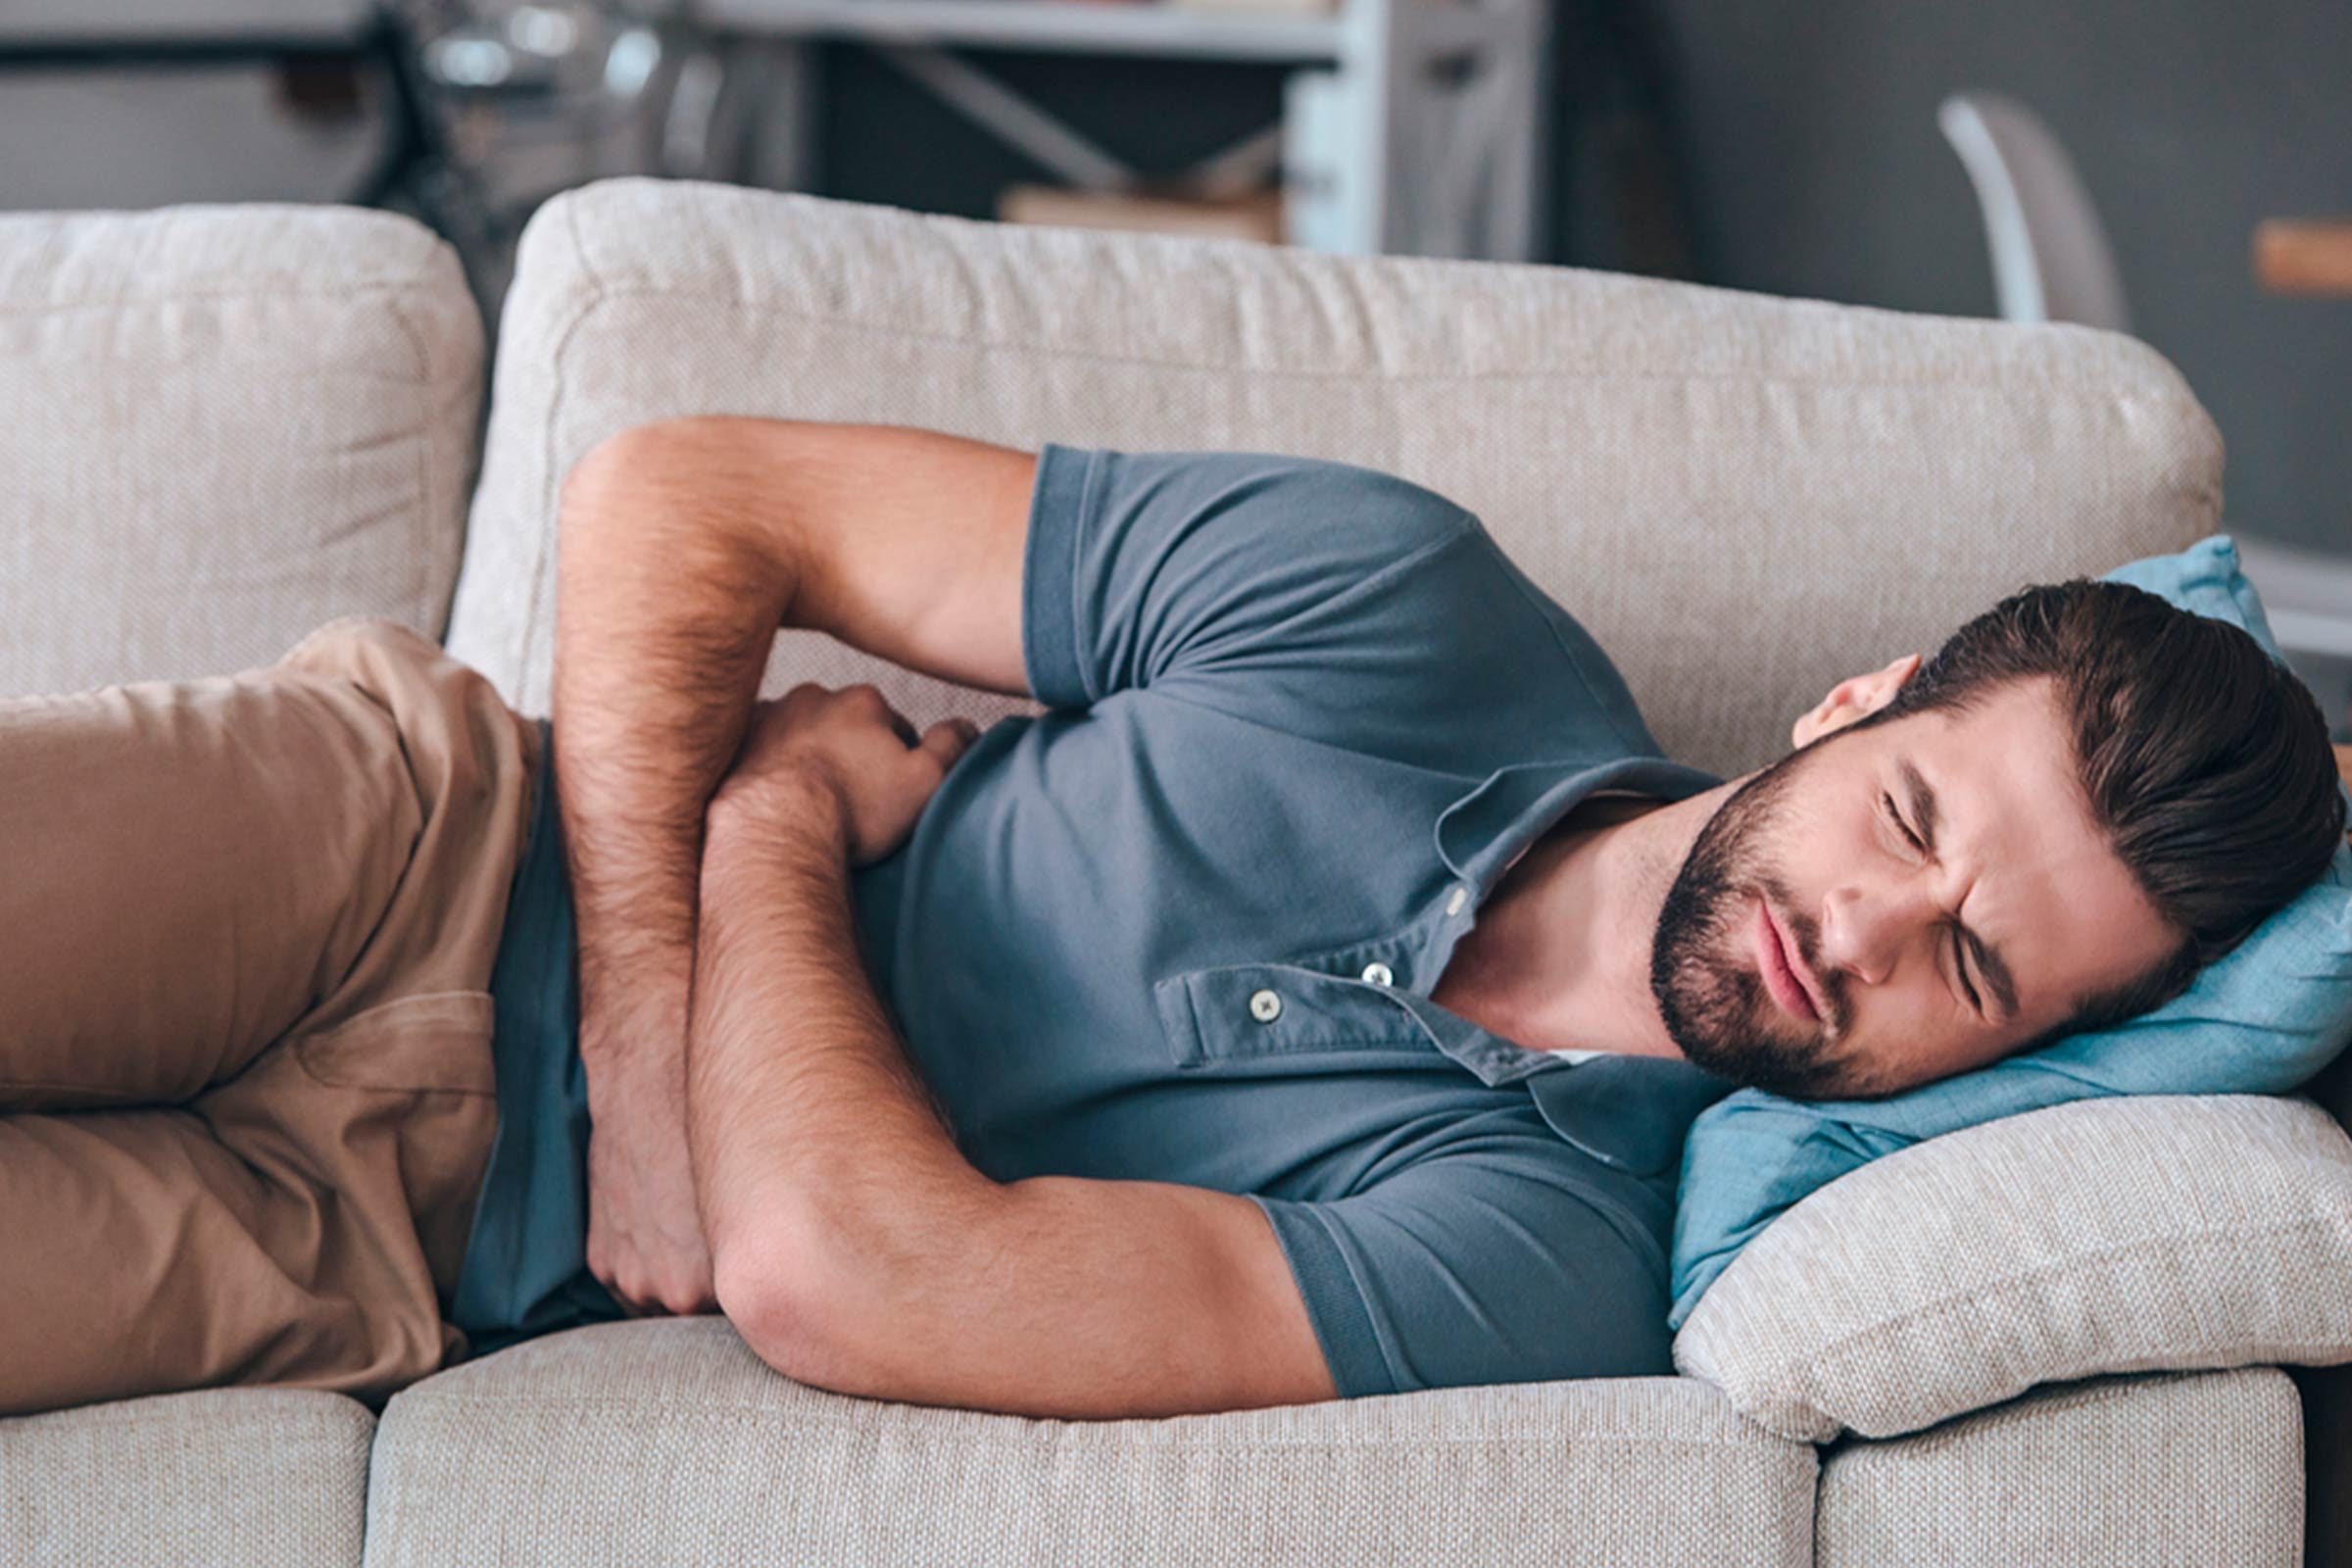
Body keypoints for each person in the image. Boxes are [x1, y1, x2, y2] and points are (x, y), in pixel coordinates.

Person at [3, 419, 2341, 1425]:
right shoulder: (1401, 607)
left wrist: (769, 844)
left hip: (391, 1244)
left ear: (2010, 1060)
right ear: (1858, 702)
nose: (1868, 931)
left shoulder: (1549, 1252)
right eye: (1911, 817)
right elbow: (682, 496)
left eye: (1978, 971)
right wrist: (645, 993)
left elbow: (841, 1276)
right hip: (415, 839)